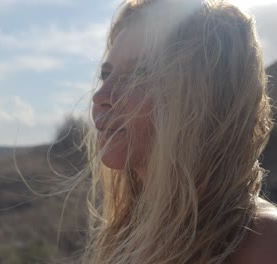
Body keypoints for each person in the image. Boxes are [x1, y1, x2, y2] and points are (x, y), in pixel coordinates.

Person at [83, 0, 277, 263]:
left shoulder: (262, 242)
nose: (101, 96)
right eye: (107, 75)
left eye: (141, 74)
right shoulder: (130, 232)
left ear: (208, 97)